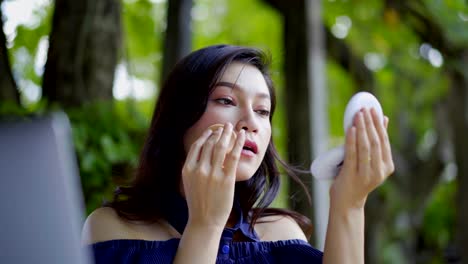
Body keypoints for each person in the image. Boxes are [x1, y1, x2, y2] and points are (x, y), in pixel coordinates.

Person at [81, 44, 394, 263]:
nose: (251, 123)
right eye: (227, 101)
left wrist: (349, 205)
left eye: (262, 110)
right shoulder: (111, 227)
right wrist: (204, 226)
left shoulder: (282, 234)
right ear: (178, 119)